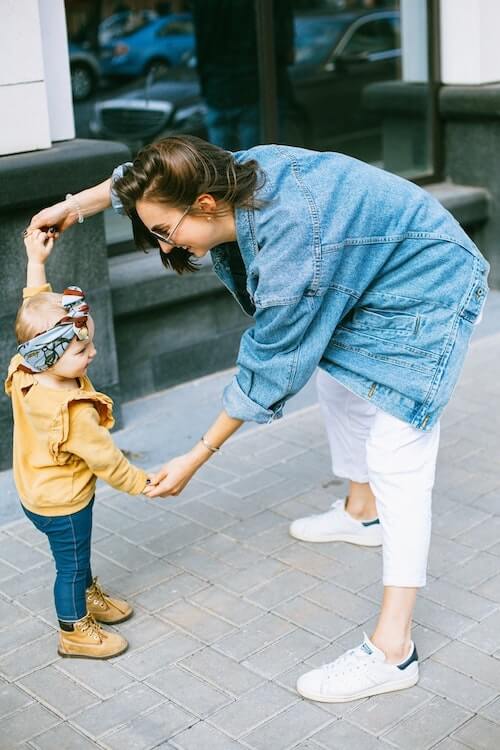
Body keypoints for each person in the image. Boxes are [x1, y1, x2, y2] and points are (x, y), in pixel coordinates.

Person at [28, 135, 489, 701]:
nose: (161, 243)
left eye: (164, 232)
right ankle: (362, 513)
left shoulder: (295, 244)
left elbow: (272, 363)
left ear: (203, 205)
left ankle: (395, 651)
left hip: (426, 285)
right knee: (341, 385)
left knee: (398, 448)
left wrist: (198, 454)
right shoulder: (228, 175)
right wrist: (73, 207)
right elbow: (141, 180)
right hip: (372, 268)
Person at [5, 229, 155, 660]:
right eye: (79, 349)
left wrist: (36, 260)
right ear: (49, 356)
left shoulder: (25, 365)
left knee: (75, 552)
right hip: (63, 501)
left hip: (35, 491)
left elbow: (34, 307)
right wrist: (144, 484)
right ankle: (73, 630)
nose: (90, 353)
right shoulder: (73, 408)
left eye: (88, 341)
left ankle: (89, 596)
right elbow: (107, 459)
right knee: (69, 564)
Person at [191, 0, 294, 150]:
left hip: (218, 89)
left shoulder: (205, 5)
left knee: (222, 165)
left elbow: (201, 45)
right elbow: (284, 46)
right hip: (254, 88)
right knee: (258, 162)